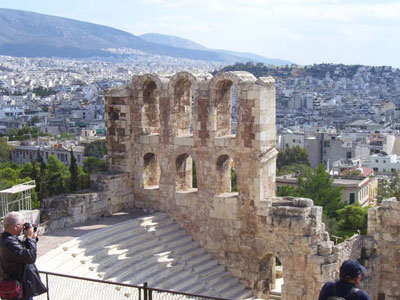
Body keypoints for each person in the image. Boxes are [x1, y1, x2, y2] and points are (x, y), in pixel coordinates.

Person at [0, 211, 47, 300]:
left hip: (17, 287)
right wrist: (29, 238)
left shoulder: (6, 239)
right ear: (16, 226)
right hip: (19, 290)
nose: (23, 227)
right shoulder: (9, 242)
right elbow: (30, 257)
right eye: (22, 225)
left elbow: (23, 252)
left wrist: (32, 239)